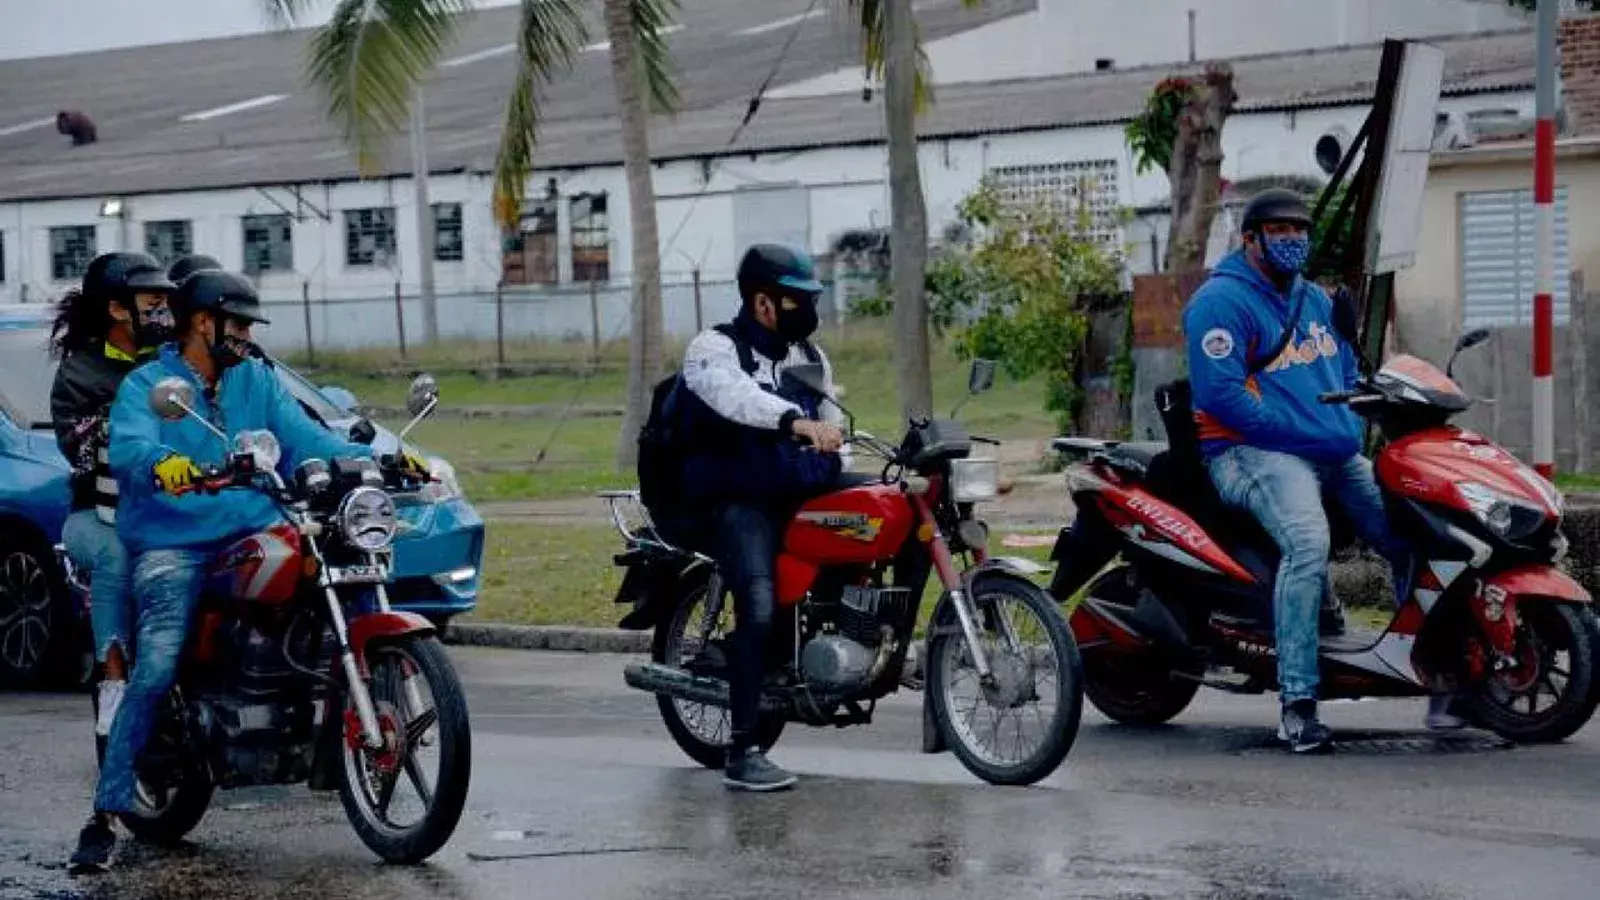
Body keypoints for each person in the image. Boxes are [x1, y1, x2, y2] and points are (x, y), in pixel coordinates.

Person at [69, 269, 427, 872]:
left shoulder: (255, 379)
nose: (244, 335)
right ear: (201, 322)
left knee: (327, 571)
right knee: (155, 665)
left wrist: (386, 457)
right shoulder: (149, 385)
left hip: (254, 526)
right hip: (172, 539)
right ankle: (104, 813)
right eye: (235, 324)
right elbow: (131, 449)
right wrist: (172, 467)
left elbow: (306, 436)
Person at [1182, 188, 1436, 754]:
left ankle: (1443, 676)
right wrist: (1304, 434)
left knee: (1411, 531)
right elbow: (1220, 395)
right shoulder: (1219, 304)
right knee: (1307, 542)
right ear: (1250, 239)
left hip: (1331, 452)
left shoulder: (1318, 301)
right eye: (1279, 230)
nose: (1293, 239)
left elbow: (1344, 372)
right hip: (1251, 452)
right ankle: (1297, 705)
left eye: (1300, 229)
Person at [677, 243, 847, 792]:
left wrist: (843, 454)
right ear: (764, 303)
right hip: (735, 496)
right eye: (799, 300)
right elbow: (738, 400)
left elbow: (834, 424)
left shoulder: (811, 359)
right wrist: (795, 423)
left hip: (796, 489)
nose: (808, 310)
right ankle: (744, 748)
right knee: (756, 599)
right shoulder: (713, 349)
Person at [49, 252, 178, 739]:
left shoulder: (178, 357)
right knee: (116, 554)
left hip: (179, 507)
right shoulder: (80, 371)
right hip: (98, 513)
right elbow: (77, 452)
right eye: (153, 301)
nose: (164, 310)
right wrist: (119, 422)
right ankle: (114, 677)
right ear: (118, 310)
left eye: (168, 300)